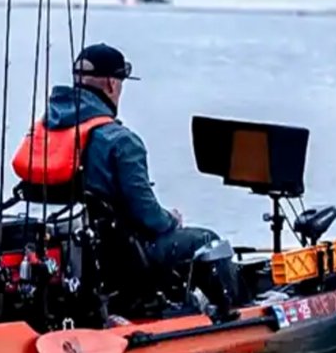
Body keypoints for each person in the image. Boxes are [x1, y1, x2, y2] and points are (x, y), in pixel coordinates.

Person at [12, 42, 240, 322]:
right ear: (111, 84)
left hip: (76, 259)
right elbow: (149, 217)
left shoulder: (43, 134)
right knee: (207, 240)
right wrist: (171, 219)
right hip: (121, 258)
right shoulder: (122, 141)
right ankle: (233, 316)